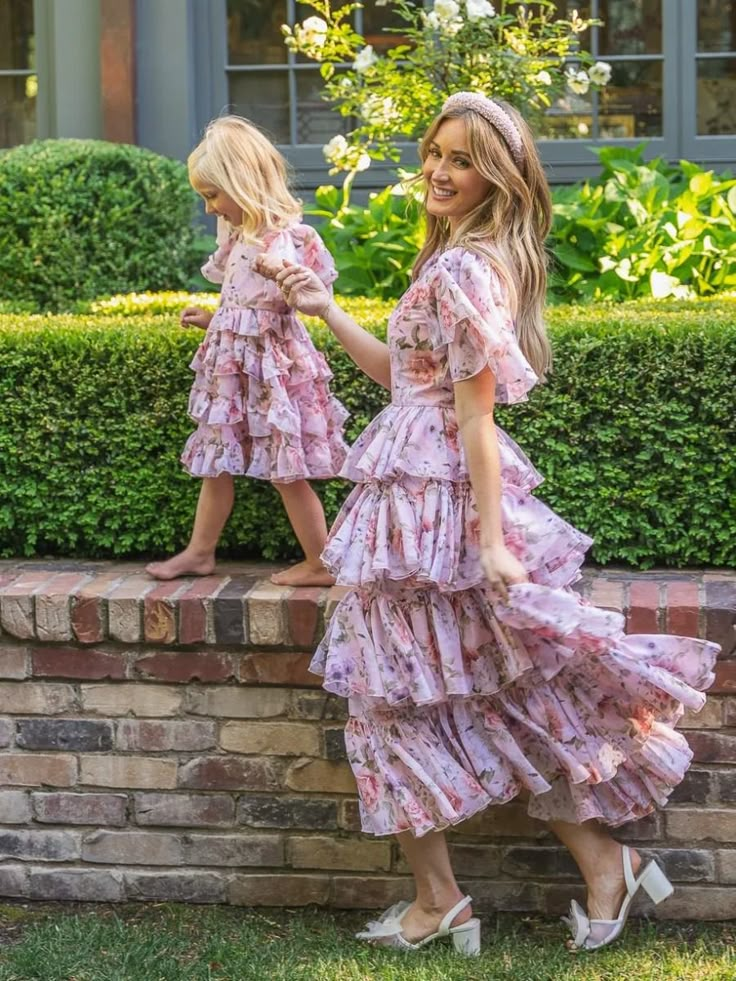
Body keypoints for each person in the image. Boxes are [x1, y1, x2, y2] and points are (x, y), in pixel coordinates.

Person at [256, 91, 718, 954]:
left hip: (435, 514)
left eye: (462, 159)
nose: (439, 168)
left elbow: (474, 417)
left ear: (496, 178)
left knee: (401, 700)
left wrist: (495, 544)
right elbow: (408, 376)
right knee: (467, 695)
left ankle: (456, 897)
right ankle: (568, 870)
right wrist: (326, 307)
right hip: (413, 501)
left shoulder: (467, 269)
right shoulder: (453, 260)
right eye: (436, 150)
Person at [146, 116, 348, 587]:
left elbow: (297, 300)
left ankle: (319, 562)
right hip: (234, 370)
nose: (209, 207)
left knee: (286, 471)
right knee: (216, 461)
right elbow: (241, 307)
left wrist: (282, 271)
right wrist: (211, 320)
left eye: (213, 195)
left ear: (244, 183)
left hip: (272, 373)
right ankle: (200, 552)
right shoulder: (237, 240)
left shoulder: (288, 240)